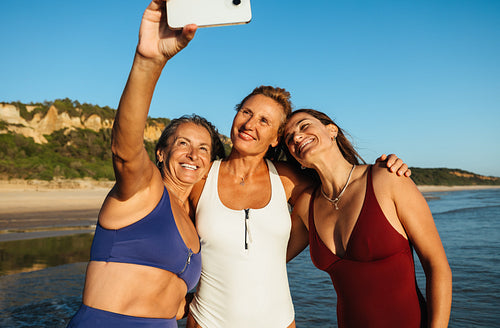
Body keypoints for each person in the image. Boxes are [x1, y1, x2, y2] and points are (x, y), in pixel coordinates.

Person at [105, 1, 411, 327]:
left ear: (276, 138)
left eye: (264, 121)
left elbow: (341, 196)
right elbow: (165, 236)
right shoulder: (202, 177)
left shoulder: (290, 181)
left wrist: (382, 169)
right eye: (246, 112)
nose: (250, 124)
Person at [66, 3, 225, 326]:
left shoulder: (195, 219)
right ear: (161, 154)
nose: (193, 155)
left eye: (203, 149)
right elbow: (124, 150)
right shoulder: (144, 190)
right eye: (182, 144)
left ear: (210, 164)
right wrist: (149, 63)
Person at [284, 108, 452, 328]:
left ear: (332, 131)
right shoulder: (307, 205)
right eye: (289, 138)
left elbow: (437, 266)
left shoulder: (387, 178)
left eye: (304, 126)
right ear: (299, 161)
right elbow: (268, 259)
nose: (296, 136)